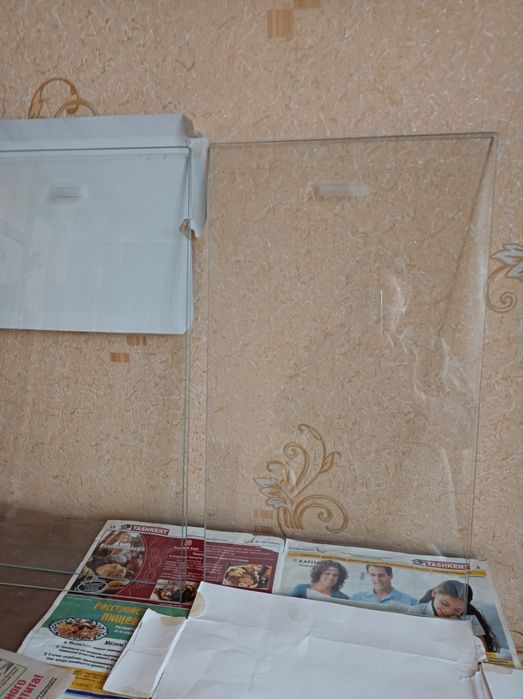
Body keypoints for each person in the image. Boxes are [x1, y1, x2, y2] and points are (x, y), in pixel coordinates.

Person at [408, 579, 500, 652]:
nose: (447, 611)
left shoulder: (470, 620)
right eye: (444, 603)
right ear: (435, 593)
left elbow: (482, 651)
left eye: (457, 610)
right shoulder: (416, 612)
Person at [350, 565, 417, 608]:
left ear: (391, 575)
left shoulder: (410, 602)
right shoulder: (355, 599)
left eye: (381, 575)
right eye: (373, 575)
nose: (377, 580)